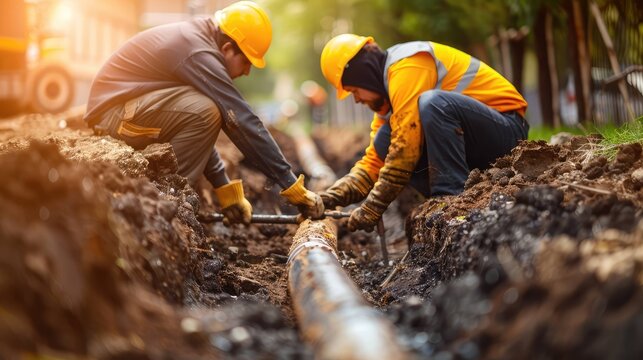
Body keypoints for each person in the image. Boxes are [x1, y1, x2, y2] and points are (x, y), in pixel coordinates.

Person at [83, 1, 323, 225]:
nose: (247, 72)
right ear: (228, 49)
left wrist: (225, 189)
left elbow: (195, 130)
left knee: (204, 109)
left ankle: (169, 199)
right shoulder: (199, 52)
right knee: (207, 110)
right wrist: (290, 183)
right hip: (114, 116)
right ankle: (170, 204)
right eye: (247, 62)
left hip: (125, 111)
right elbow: (239, 119)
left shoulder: (198, 41)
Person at [318, 34, 529, 232]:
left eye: (354, 90)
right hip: (476, 145)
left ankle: (448, 198)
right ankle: (448, 195)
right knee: (384, 139)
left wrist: (374, 206)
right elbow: (374, 161)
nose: (356, 99)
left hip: (506, 133)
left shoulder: (408, 65)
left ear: (363, 74)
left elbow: (405, 149)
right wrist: (329, 198)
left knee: (433, 104)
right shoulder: (390, 95)